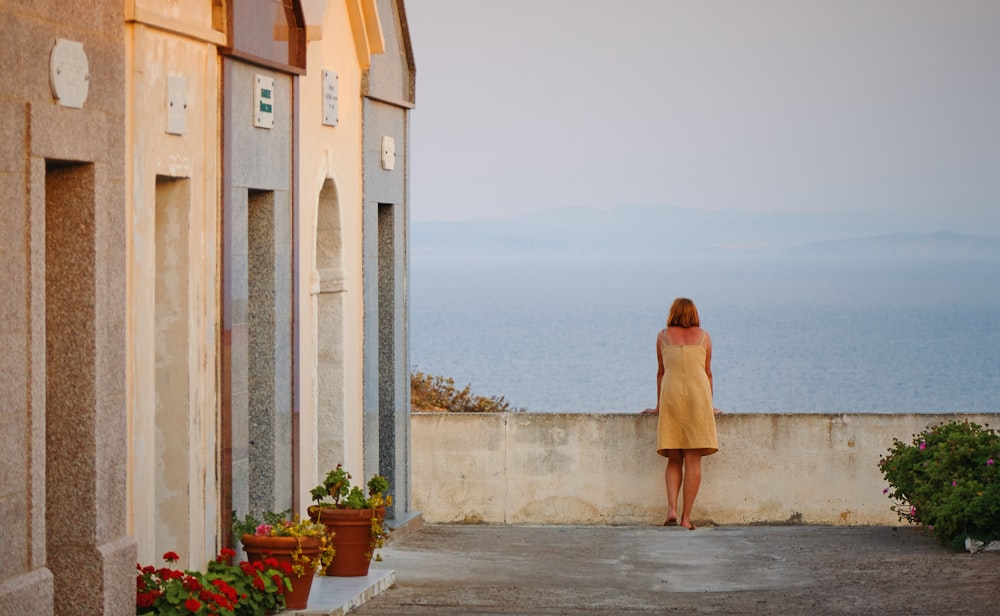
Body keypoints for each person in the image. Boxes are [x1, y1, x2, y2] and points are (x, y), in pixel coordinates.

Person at [641, 297, 719, 530]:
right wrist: (711, 406)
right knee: (693, 460)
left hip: (672, 399)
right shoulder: (704, 337)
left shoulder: (663, 337)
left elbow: (660, 373)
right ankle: (686, 518)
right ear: (694, 314)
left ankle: (671, 509)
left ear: (672, 313)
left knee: (674, 458)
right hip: (698, 400)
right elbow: (708, 374)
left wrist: (658, 407)